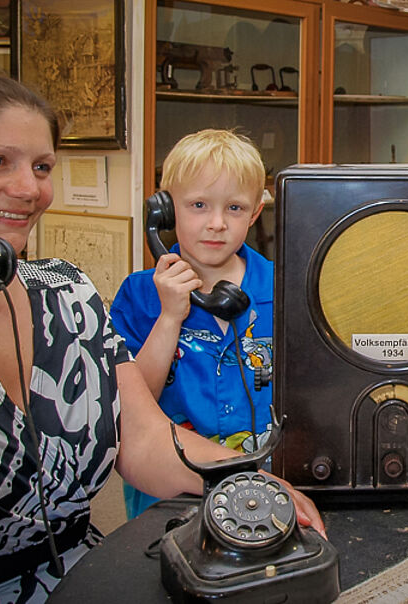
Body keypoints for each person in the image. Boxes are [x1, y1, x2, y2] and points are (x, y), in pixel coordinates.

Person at [0, 75, 323, 602]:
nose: (29, 188)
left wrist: (248, 480)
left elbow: (141, 435)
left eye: (41, 167)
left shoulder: (66, 290)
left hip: (87, 574)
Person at [110, 129, 273, 519]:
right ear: (165, 211)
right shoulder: (138, 296)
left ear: (254, 213)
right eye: (198, 204)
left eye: (234, 208)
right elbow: (132, 407)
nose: (216, 223)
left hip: (262, 484)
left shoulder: (282, 288)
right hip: (169, 495)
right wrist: (169, 317)